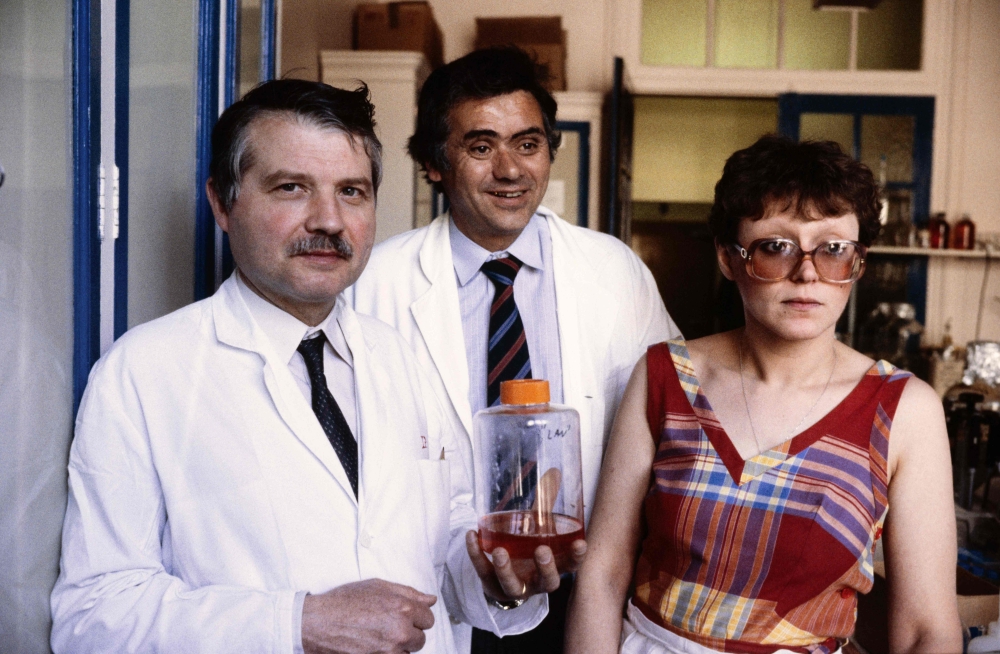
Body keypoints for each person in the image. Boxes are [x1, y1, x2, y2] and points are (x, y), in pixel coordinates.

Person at [50, 79, 567, 653]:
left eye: (352, 191)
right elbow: (93, 614)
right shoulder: (144, 373)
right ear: (222, 202)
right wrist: (295, 623)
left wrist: (494, 577)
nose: (329, 220)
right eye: (291, 188)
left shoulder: (400, 356)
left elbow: (443, 542)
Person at [566, 135, 962, 654]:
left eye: (833, 250)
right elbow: (602, 574)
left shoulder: (904, 410)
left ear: (858, 261)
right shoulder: (664, 376)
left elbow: (927, 630)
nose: (807, 273)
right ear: (728, 258)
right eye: (776, 247)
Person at [348, 47, 681, 653]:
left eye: (528, 144)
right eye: (481, 147)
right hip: (436, 596)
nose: (510, 170)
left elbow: (674, 418)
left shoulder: (614, 272)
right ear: (434, 164)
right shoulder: (373, 285)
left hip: (585, 593)